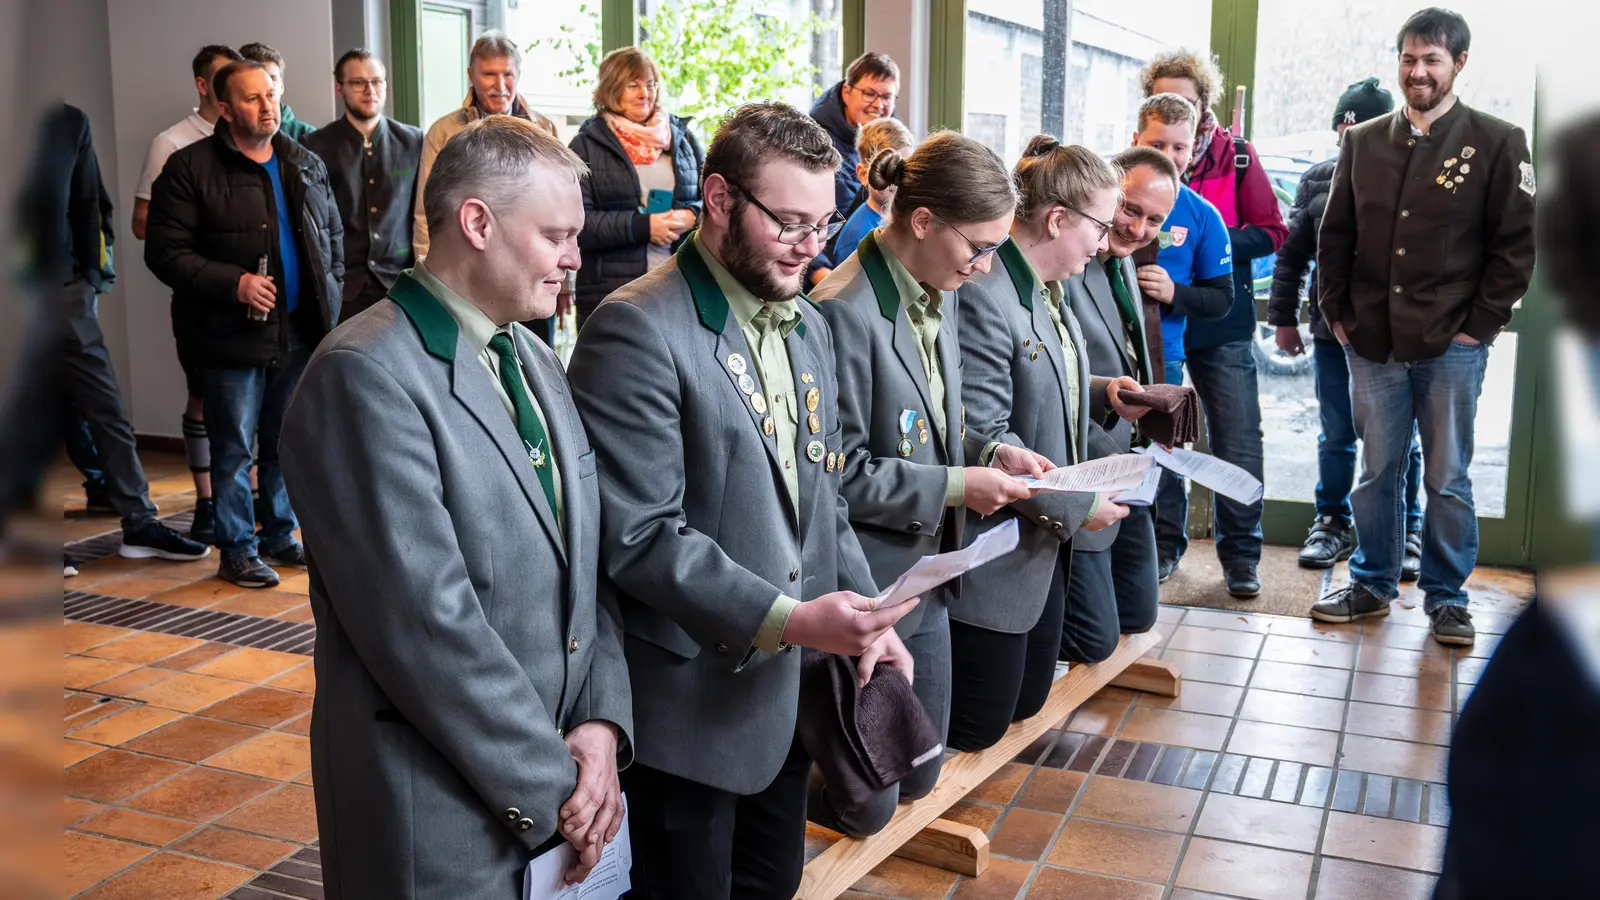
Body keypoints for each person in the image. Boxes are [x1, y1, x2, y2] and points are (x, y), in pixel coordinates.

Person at [567, 102, 915, 899]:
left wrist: (871, 617)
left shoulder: (807, 323)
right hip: (690, 711)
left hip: (783, 698)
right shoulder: (636, 329)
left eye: (824, 224)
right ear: (719, 199)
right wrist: (792, 619)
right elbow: (641, 537)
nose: (810, 245)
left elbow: (823, 497)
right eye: (788, 222)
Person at [280, 115, 630, 899]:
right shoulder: (363, 374)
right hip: (439, 815)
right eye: (556, 236)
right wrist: (563, 792)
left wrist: (600, 727)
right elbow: (427, 631)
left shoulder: (531, 356)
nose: (575, 257)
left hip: (564, 779)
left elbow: (588, 564)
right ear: (477, 223)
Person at [812, 133, 1051, 834]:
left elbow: (939, 427)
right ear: (922, 221)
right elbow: (839, 477)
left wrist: (993, 451)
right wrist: (956, 486)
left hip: (930, 571)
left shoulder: (935, 288)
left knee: (922, 770)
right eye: (979, 248)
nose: (985, 268)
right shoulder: (843, 310)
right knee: (871, 804)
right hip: (869, 575)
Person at [1312, 8, 1535, 646]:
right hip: (1372, 341)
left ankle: (1447, 598)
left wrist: (1478, 328)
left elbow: (1515, 248)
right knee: (1378, 470)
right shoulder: (1363, 141)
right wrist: (1338, 315)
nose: (1418, 72)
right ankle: (1372, 583)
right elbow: (1336, 236)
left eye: (1432, 60)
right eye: (1409, 59)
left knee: (1447, 476)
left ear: (1458, 64)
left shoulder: (1498, 140)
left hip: (1452, 344)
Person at [949, 137, 1145, 751]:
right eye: (1100, 226)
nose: (1106, 242)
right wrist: (1078, 505)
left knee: (1028, 701)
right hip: (999, 545)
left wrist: (1104, 390)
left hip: (1040, 540)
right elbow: (984, 435)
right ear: (1057, 219)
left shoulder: (1046, 286)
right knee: (980, 724)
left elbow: (1044, 377)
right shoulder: (985, 293)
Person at [144, 59, 343, 589]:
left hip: (298, 333)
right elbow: (164, 252)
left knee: (285, 442)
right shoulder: (188, 168)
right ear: (225, 109)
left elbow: (332, 238)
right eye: (252, 98)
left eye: (270, 95)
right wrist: (233, 283)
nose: (267, 106)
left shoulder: (303, 161)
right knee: (233, 449)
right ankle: (236, 548)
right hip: (228, 337)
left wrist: (330, 293)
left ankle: (279, 533)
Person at [20, 103, 209, 563]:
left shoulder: (68, 121)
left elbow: (90, 202)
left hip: (67, 292)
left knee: (105, 406)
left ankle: (139, 523)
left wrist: (89, 278)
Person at [1141, 49, 1287, 597]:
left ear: (1203, 107)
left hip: (1219, 322)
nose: (1173, 148)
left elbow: (1272, 231)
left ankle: (1242, 556)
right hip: (1158, 331)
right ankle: (1164, 547)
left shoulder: (1237, 157)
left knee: (1238, 439)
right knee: (1162, 440)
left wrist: (1212, 240)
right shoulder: (1134, 172)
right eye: (1164, 99)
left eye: (1186, 102)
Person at [1267, 77, 1426, 575]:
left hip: (1397, 338)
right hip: (1331, 335)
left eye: (1364, 127)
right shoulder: (1318, 179)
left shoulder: (1415, 176)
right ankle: (1332, 522)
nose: (1351, 136)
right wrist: (1283, 319)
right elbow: (1292, 257)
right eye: (1345, 127)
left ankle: (1407, 528)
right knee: (1336, 434)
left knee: (1401, 439)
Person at [1063, 147, 1179, 661]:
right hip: (1085, 458)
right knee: (1096, 638)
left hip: (1129, 459)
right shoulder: (1073, 259)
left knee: (1139, 612)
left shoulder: (1125, 259)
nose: (1137, 228)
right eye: (1130, 209)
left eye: (1155, 220)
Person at [132, 43, 244, 544]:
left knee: (250, 405)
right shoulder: (173, 143)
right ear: (204, 86)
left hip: (254, 300)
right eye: (223, 80)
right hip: (202, 296)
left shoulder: (256, 140)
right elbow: (144, 224)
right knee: (203, 397)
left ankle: (247, 500)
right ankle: (205, 502)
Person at [1128, 93, 1237, 582]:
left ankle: (1166, 545)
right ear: (1135, 140)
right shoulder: (1105, 202)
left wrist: (1176, 293)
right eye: (1157, 144)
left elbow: (1222, 298)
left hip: (1163, 359)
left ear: (1193, 150)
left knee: (1163, 453)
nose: (1168, 156)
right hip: (1100, 352)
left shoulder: (1202, 216)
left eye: (1179, 147)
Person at [569, 48, 702, 326]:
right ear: (611, 89)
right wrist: (642, 227)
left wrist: (693, 216)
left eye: (650, 84)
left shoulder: (683, 139)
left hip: (681, 287)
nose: (645, 93)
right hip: (611, 293)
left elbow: (718, 201)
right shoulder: (585, 146)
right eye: (633, 85)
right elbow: (578, 224)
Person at [414, 30, 558, 263]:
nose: (500, 85)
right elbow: (426, 211)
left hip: (529, 261)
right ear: (471, 75)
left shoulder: (544, 130)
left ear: (519, 75)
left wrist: (562, 274)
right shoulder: (444, 132)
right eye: (489, 74)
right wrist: (426, 271)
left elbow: (559, 207)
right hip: (463, 261)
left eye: (507, 74)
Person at [305, 48, 424, 322]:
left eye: (376, 81)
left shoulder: (414, 141)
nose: (369, 90)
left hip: (402, 283)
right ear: (340, 88)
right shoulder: (316, 145)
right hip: (343, 288)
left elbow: (423, 215)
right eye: (358, 82)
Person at [808, 117, 915, 286]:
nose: (898, 180)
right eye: (887, 170)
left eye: (905, 170)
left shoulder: (904, 219)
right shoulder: (858, 238)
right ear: (863, 174)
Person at [809, 52, 900, 217]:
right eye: (869, 94)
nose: (878, 105)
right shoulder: (818, 146)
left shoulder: (894, 141)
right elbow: (835, 225)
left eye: (886, 97)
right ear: (846, 92)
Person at [238, 43, 318, 142]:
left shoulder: (308, 135)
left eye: (272, 78)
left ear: (282, 87)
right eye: (257, 78)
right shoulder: (229, 134)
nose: (266, 85)